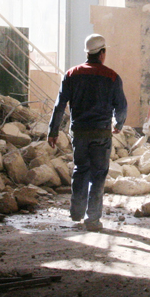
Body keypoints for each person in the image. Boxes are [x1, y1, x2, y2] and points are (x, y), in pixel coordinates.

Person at [47, 33, 128, 232]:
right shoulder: (112, 76)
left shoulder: (71, 74)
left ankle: (76, 212)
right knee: (98, 175)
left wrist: (53, 130)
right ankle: (92, 220)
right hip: (101, 134)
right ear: (102, 53)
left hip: (80, 133)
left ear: (88, 53)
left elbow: (59, 105)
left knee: (81, 170)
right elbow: (122, 106)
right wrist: (119, 123)